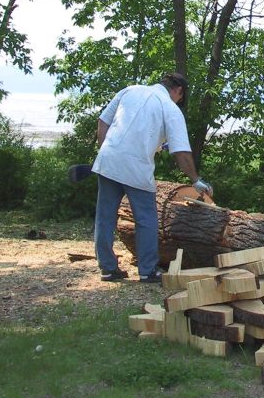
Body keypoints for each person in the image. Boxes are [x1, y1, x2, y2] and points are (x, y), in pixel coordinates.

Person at [91, 72, 212, 283]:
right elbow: (181, 152)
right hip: (136, 168)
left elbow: (103, 122)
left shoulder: (130, 90)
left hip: (108, 161)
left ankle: (108, 269)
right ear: (179, 91)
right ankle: (147, 271)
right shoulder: (170, 108)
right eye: (180, 98)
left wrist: (106, 151)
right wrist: (195, 180)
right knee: (146, 220)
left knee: (105, 217)